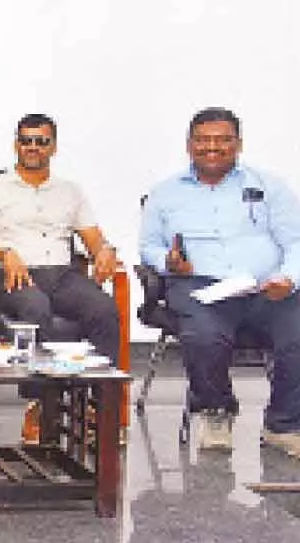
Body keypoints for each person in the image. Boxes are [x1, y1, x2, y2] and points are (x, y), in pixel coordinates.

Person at [140, 107, 300, 455]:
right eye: (203, 140)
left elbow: (296, 242)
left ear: (238, 144)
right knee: (204, 335)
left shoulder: (269, 186)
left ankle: (284, 424)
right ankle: (216, 411)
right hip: (199, 285)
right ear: (189, 145)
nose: (212, 147)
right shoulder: (165, 193)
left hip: (264, 288)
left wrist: (289, 278)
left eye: (223, 140)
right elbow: (148, 246)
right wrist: (166, 261)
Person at [0, 113, 121, 442]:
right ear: (16, 145)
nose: (33, 147)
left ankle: (97, 404)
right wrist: (3, 254)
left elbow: (94, 240)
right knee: (35, 307)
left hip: (63, 274)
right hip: (14, 275)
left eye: (42, 141)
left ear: (53, 147)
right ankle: (39, 404)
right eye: (27, 140)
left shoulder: (70, 191)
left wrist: (106, 251)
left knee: (104, 308)